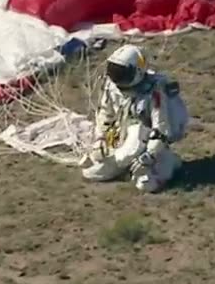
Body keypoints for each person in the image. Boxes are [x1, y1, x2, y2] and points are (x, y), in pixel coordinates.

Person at [79, 43, 188, 193]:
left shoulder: (154, 91)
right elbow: (105, 113)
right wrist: (100, 138)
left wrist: (150, 155)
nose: (117, 78)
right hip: (122, 132)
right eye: (114, 72)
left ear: (137, 71)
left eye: (122, 73)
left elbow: (161, 127)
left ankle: (168, 161)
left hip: (148, 139)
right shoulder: (111, 86)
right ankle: (117, 162)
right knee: (95, 163)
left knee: (146, 184)